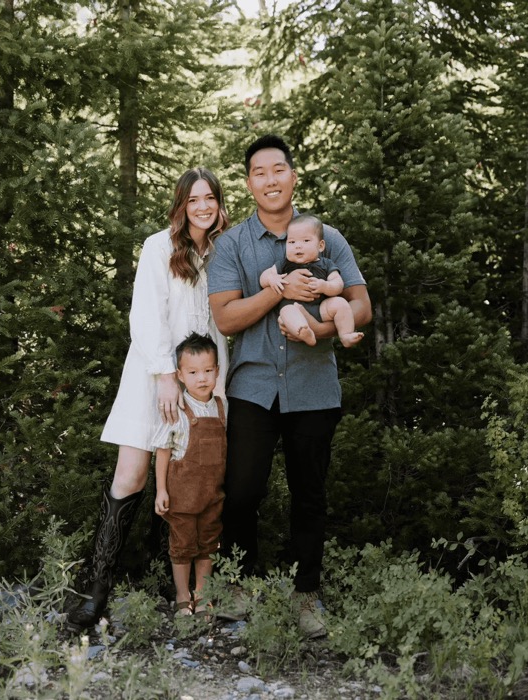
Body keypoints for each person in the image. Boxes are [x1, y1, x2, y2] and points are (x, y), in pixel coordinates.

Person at [207, 134, 372, 638]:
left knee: (310, 494)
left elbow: (361, 305)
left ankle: (306, 595)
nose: (270, 180)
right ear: (249, 184)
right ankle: (239, 585)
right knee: (241, 492)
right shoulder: (232, 244)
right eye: (259, 173)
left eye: (278, 169)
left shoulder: (325, 236)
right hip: (253, 384)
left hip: (313, 385)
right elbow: (226, 317)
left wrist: (319, 327)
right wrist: (280, 292)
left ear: (293, 177)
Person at [66, 168, 229, 632]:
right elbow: (146, 315)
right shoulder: (159, 246)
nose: (202, 206)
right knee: (132, 472)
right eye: (193, 199)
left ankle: (166, 577)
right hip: (154, 377)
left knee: (186, 472)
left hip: (202, 381)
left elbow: (221, 321)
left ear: (219, 203)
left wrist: (216, 384)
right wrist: (164, 375)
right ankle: (96, 588)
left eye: (210, 198)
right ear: (181, 204)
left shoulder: (223, 251)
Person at [153, 332, 226, 618]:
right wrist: (161, 490)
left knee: (208, 543)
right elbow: (162, 450)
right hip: (182, 496)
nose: (202, 378)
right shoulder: (178, 409)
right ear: (181, 375)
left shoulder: (221, 407)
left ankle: (202, 594)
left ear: (217, 371)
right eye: (193, 372)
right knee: (182, 545)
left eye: (208, 370)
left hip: (212, 494)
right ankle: (183, 596)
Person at [260, 213, 364, 347]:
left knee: (340, 303)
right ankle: (304, 331)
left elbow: (338, 284)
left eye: (306, 241)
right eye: (291, 242)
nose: (298, 246)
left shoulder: (326, 264)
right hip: (295, 308)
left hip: (321, 308)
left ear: (320, 246)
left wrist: (325, 286)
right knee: (286, 312)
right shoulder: (285, 264)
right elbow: (264, 277)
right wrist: (272, 279)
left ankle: (346, 335)